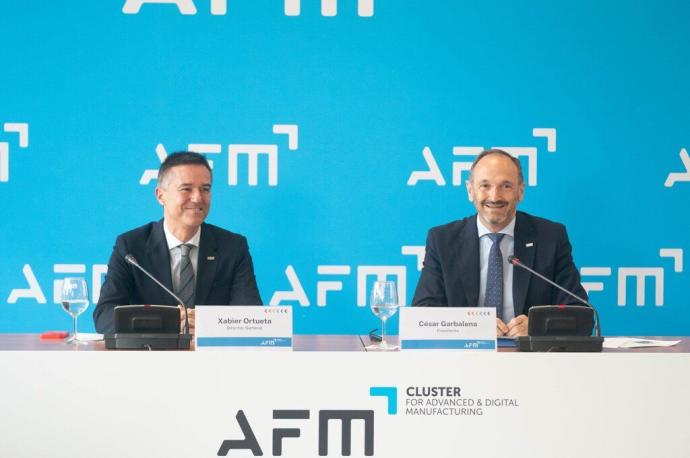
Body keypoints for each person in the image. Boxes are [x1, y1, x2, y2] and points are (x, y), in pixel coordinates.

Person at [411, 149, 587, 337]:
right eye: (485, 185)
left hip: (531, 361)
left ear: (521, 191)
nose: (495, 197)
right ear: (470, 191)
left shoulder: (550, 238)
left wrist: (537, 327)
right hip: (464, 359)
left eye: (506, 186)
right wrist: (475, 326)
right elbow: (423, 315)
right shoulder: (443, 240)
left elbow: (580, 314)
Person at [94, 151, 262, 334]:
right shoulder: (131, 247)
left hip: (212, 360)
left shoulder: (232, 247)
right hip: (148, 358)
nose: (198, 198)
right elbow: (104, 316)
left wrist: (206, 323)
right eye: (186, 189)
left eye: (205, 189)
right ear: (160, 196)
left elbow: (250, 316)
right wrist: (168, 323)